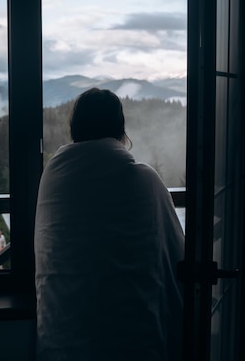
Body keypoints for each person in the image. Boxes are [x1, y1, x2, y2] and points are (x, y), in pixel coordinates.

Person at [34, 88, 184, 361]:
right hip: (132, 346)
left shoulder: (52, 178)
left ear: (75, 128)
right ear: (120, 128)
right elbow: (178, 256)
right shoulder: (144, 181)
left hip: (59, 344)